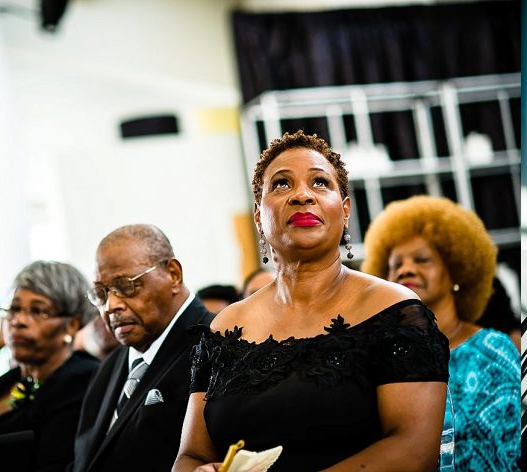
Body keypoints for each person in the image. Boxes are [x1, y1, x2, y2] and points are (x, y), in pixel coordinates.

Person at [174, 131, 450, 471]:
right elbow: (190, 456)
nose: (302, 195)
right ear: (259, 216)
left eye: (319, 183)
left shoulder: (394, 310)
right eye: (281, 184)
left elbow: (414, 450)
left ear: (345, 209)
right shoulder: (224, 327)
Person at [361, 195, 521, 471]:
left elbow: (506, 450)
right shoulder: (379, 359)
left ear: (455, 271)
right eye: (395, 265)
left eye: (422, 260)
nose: (406, 269)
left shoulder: (493, 349)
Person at [72, 224, 215, 472]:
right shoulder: (109, 366)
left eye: (126, 286)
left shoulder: (216, 343)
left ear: (173, 274)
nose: (111, 305)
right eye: (101, 294)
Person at [0, 261, 100, 472]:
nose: (18, 321)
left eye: (37, 311)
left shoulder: (83, 382)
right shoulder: (0, 385)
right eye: (14, 309)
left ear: (71, 324)